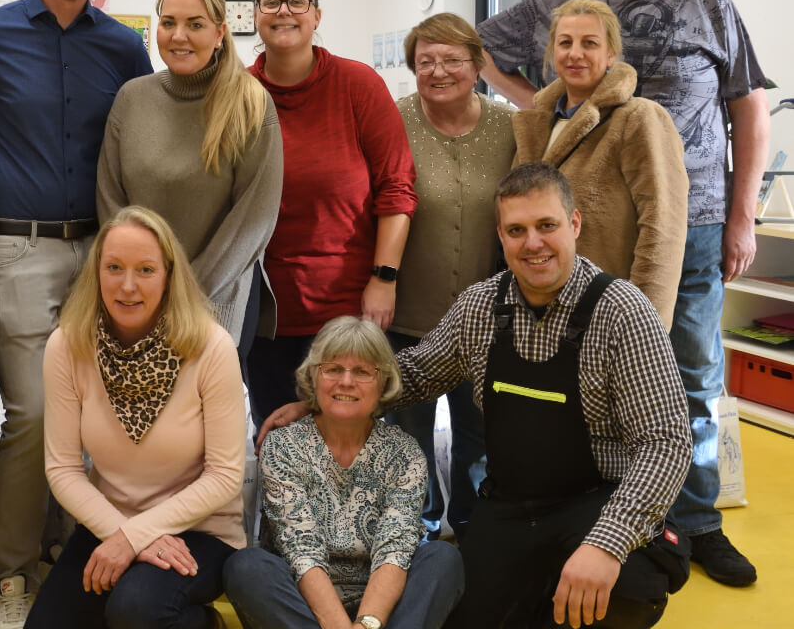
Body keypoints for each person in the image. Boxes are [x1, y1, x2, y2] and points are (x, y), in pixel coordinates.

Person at [478, 0, 768, 586]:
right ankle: (613, 517)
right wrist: (535, 104)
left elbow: (748, 106)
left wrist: (743, 215)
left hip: (694, 221)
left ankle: (696, 523)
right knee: (596, 384)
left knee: (688, 378)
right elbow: (478, 44)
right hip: (591, 232)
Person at [262, 163, 693, 628]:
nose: (533, 243)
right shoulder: (481, 306)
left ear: (574, 224)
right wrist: (329, 400)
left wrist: (606, 544)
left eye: (546, 225)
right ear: (501, 236)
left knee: (627, 590)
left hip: (596, 503)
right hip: (510, 506)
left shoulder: (623, 312)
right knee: (462, 612)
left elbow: (666, 442)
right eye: (517, 230)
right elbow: (417, 373)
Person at [0, 0, 153, 628]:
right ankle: (10, 567)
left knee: (99, 414)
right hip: (17, 248)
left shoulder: (124, 47)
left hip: (103, 252)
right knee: (34, 413)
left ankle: (81, 552)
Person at [28, 206, 245, 629]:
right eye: (114, 267)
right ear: (96, 273)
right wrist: (125, 535)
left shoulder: (212, 347)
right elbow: (63, 469)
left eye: (145, 270)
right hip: (109, 525)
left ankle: (203, 623)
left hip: (201, 532)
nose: (127, 286)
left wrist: (135, 536)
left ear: (168, 277)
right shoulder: (67, 346)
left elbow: (225, 476)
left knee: (134, 610)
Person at [243, 0, 416, 427]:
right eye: (271, 2)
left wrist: (384, 277)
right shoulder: (238, 93)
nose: (284, 11)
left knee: (348, 442)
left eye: (297, 2)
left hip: (347, 310)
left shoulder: (358, 85)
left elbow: (397, 188)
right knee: (277, 437)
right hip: (264, 313)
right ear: (255, 15)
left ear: (316, 15)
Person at [225, 315, 464, 629]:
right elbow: (301, 550)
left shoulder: (405, 453)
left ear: (383, 383)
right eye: (333, 369)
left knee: (442, 558)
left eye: (362, 371)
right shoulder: (283, 445)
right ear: (313, 377)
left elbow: (394, 550)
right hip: (302, 603)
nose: (346, 382)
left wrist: (366, 623)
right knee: (247, 566)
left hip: (383, 605)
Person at [96, 0, 282, 364]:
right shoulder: (132, 98)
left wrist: (183, 295)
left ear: (220, 33)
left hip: (217, 301)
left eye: (195, 24)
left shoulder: (250, 103)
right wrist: (140, 283)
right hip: (136, 300)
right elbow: (111, 199)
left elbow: (253, 219)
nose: (179, 36)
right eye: (169, 23)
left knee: (207, 404)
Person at [389, 12, 515, 542]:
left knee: (481, 439)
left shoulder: (511, 128)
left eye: (451, 59)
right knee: (407, 441)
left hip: (487, 324)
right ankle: (416, 536)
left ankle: (473, 529)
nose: (438, 71)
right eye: (425, 62)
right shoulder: (392, 120)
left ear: (478, 64)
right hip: (406, 318)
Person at [512, 0, 687, 326]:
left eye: (589, 43)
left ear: (610, 54)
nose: (575, 53)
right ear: (552, 52)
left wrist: (644, 324)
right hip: (539, 312)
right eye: (565, 43)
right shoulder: (535, 125)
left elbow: (663, 230)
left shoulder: (638, 118)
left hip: (608, 314)